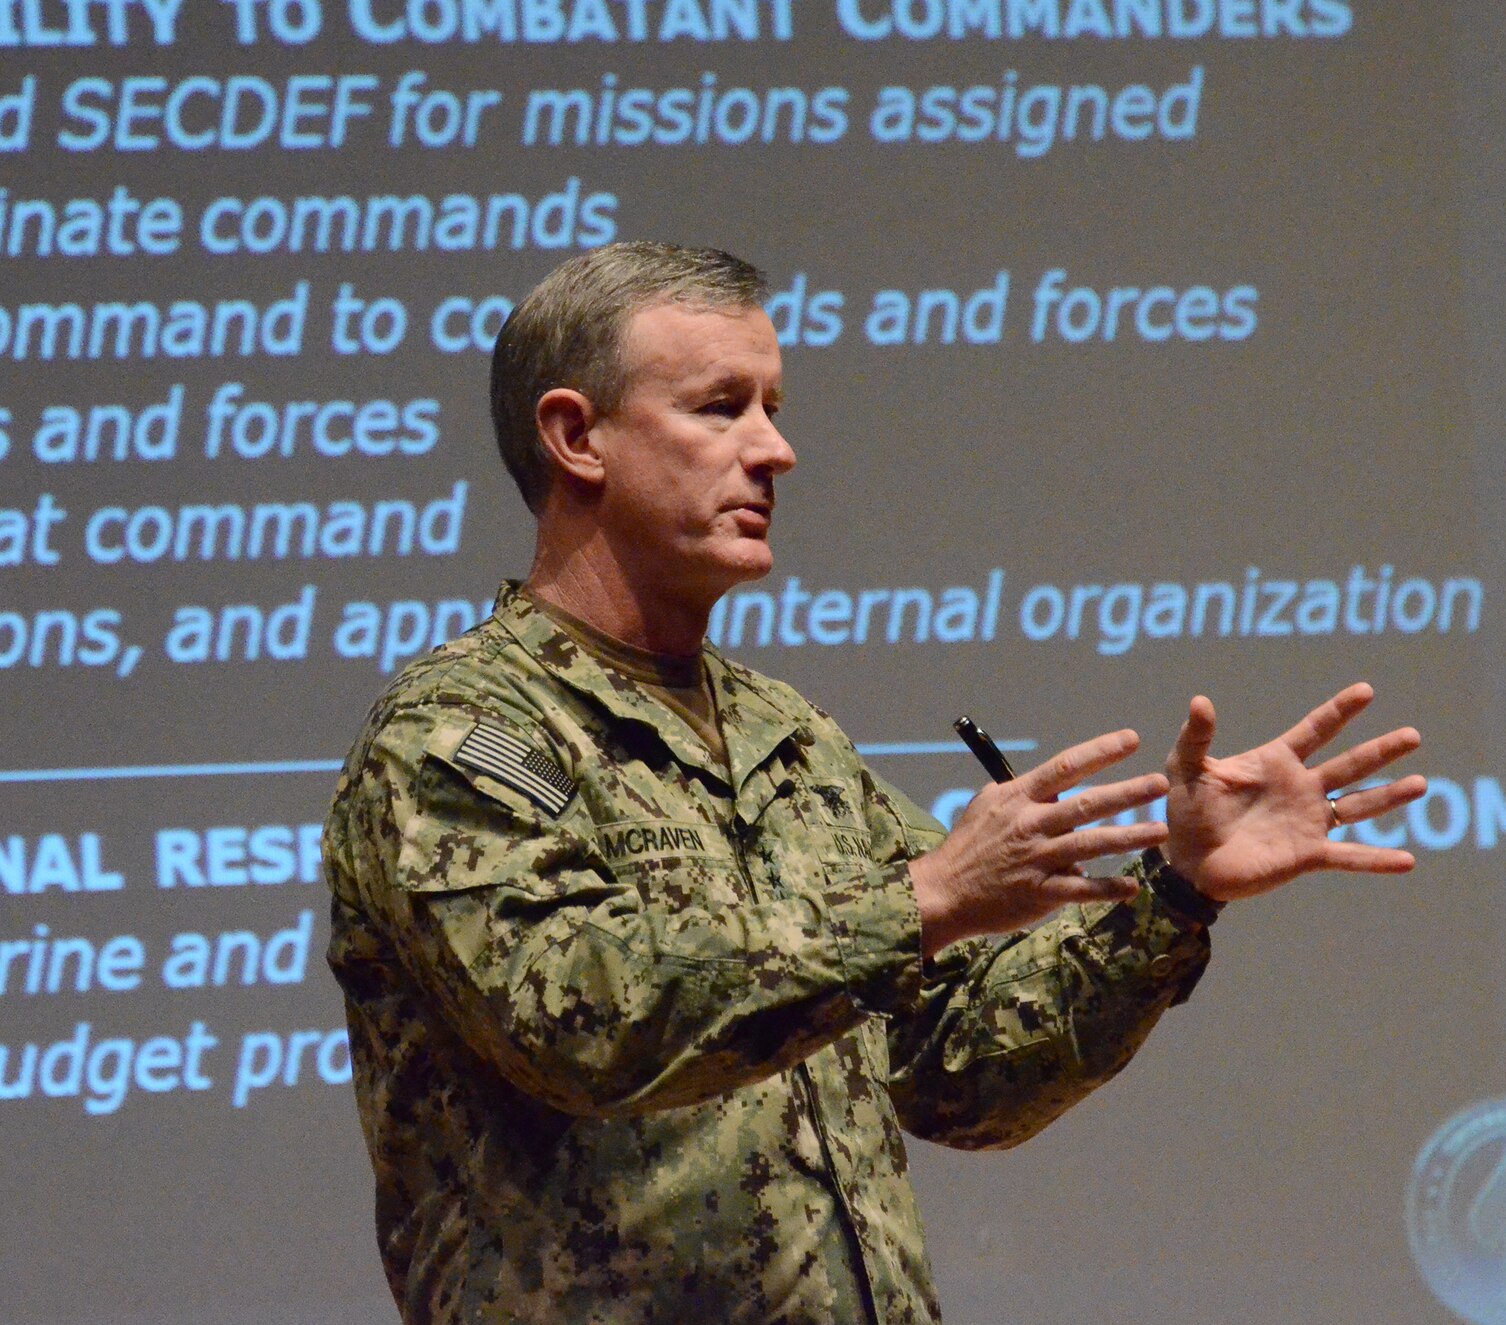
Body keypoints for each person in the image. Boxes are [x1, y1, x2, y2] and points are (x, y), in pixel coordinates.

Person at [323, 242, 1426, 1324]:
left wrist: (1177, 897)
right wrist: (921, 902)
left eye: (774, 404)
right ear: (575, 436)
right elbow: (580, 1021)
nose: (775, 450)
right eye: (720, 407)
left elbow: (960, 1068)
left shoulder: (780, 731)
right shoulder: (460, 732)